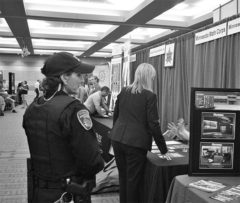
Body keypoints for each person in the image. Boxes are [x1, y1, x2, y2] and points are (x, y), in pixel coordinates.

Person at [22, 52, 104, 203]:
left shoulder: (33, 107)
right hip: (68, 193)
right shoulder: (73, 109)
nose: (82, 80)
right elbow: (92, 161)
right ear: (65, 77)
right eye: (78, 75)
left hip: (38, 191)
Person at [110, 63, 171, 203]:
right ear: (149, 77)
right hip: (135, 144)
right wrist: (163, 149)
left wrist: (116, 132)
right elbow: (153, 124)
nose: (154, 80)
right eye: (153, 77)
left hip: (118, 139)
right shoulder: (150, 96)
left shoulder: (124, 90)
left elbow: (116, 115)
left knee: (123, 178)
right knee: (133, 182)